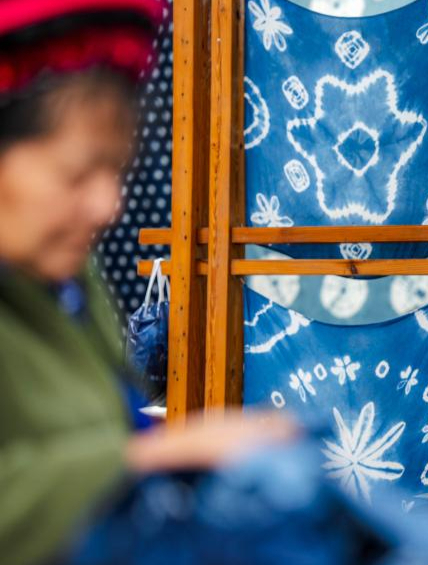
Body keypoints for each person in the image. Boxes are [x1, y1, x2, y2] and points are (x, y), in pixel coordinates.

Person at [0, 2, 297, 563]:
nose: (108, 206)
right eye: (75, 175)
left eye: (115, 171)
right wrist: (153, 457)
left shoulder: (67, 287)